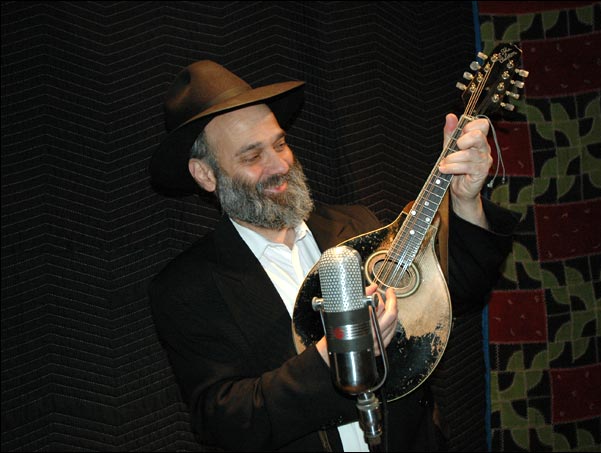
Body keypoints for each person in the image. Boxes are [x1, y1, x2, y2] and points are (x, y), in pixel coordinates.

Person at [148, 60, 520, 452]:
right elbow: (224, 422)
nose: (280, 164)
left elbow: (458, 295)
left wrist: (465, 201)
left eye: (279, 143)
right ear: (206, 175)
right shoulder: (186, 287)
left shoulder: (358, 225)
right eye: (252, 156)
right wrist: (333, 355)